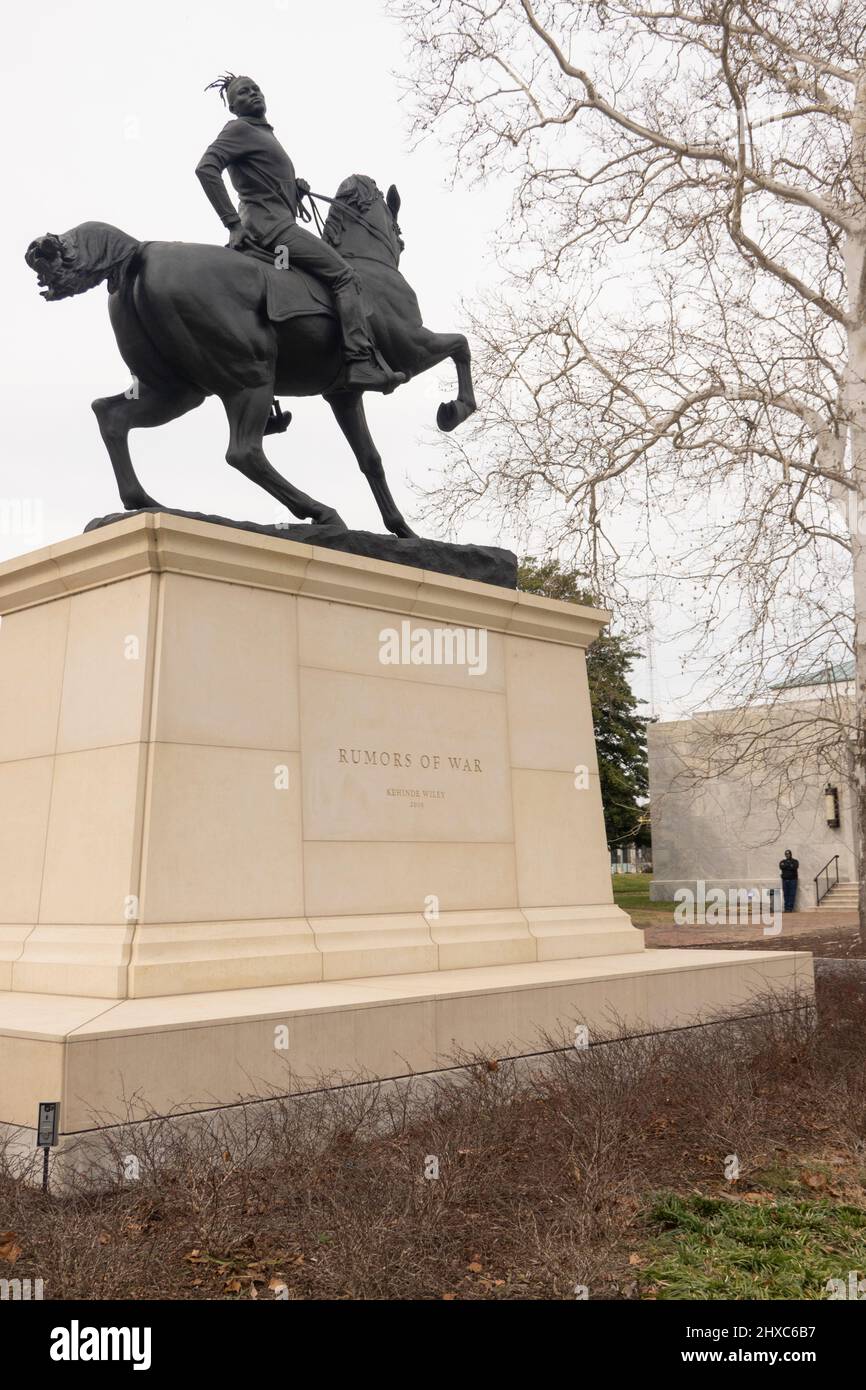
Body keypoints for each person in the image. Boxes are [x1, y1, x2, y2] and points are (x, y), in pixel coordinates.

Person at [196, 73, 405, 394]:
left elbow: (258, 185)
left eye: (255, 88)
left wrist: (293, 192)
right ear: (232, 107)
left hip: (272, 222)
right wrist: (231, 223)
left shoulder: (262, 134)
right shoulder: (239, 129)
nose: (252, 94)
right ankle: (360, 361)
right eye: (242, 93)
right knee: (345, 276)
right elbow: (206, 167)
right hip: (271, 229)